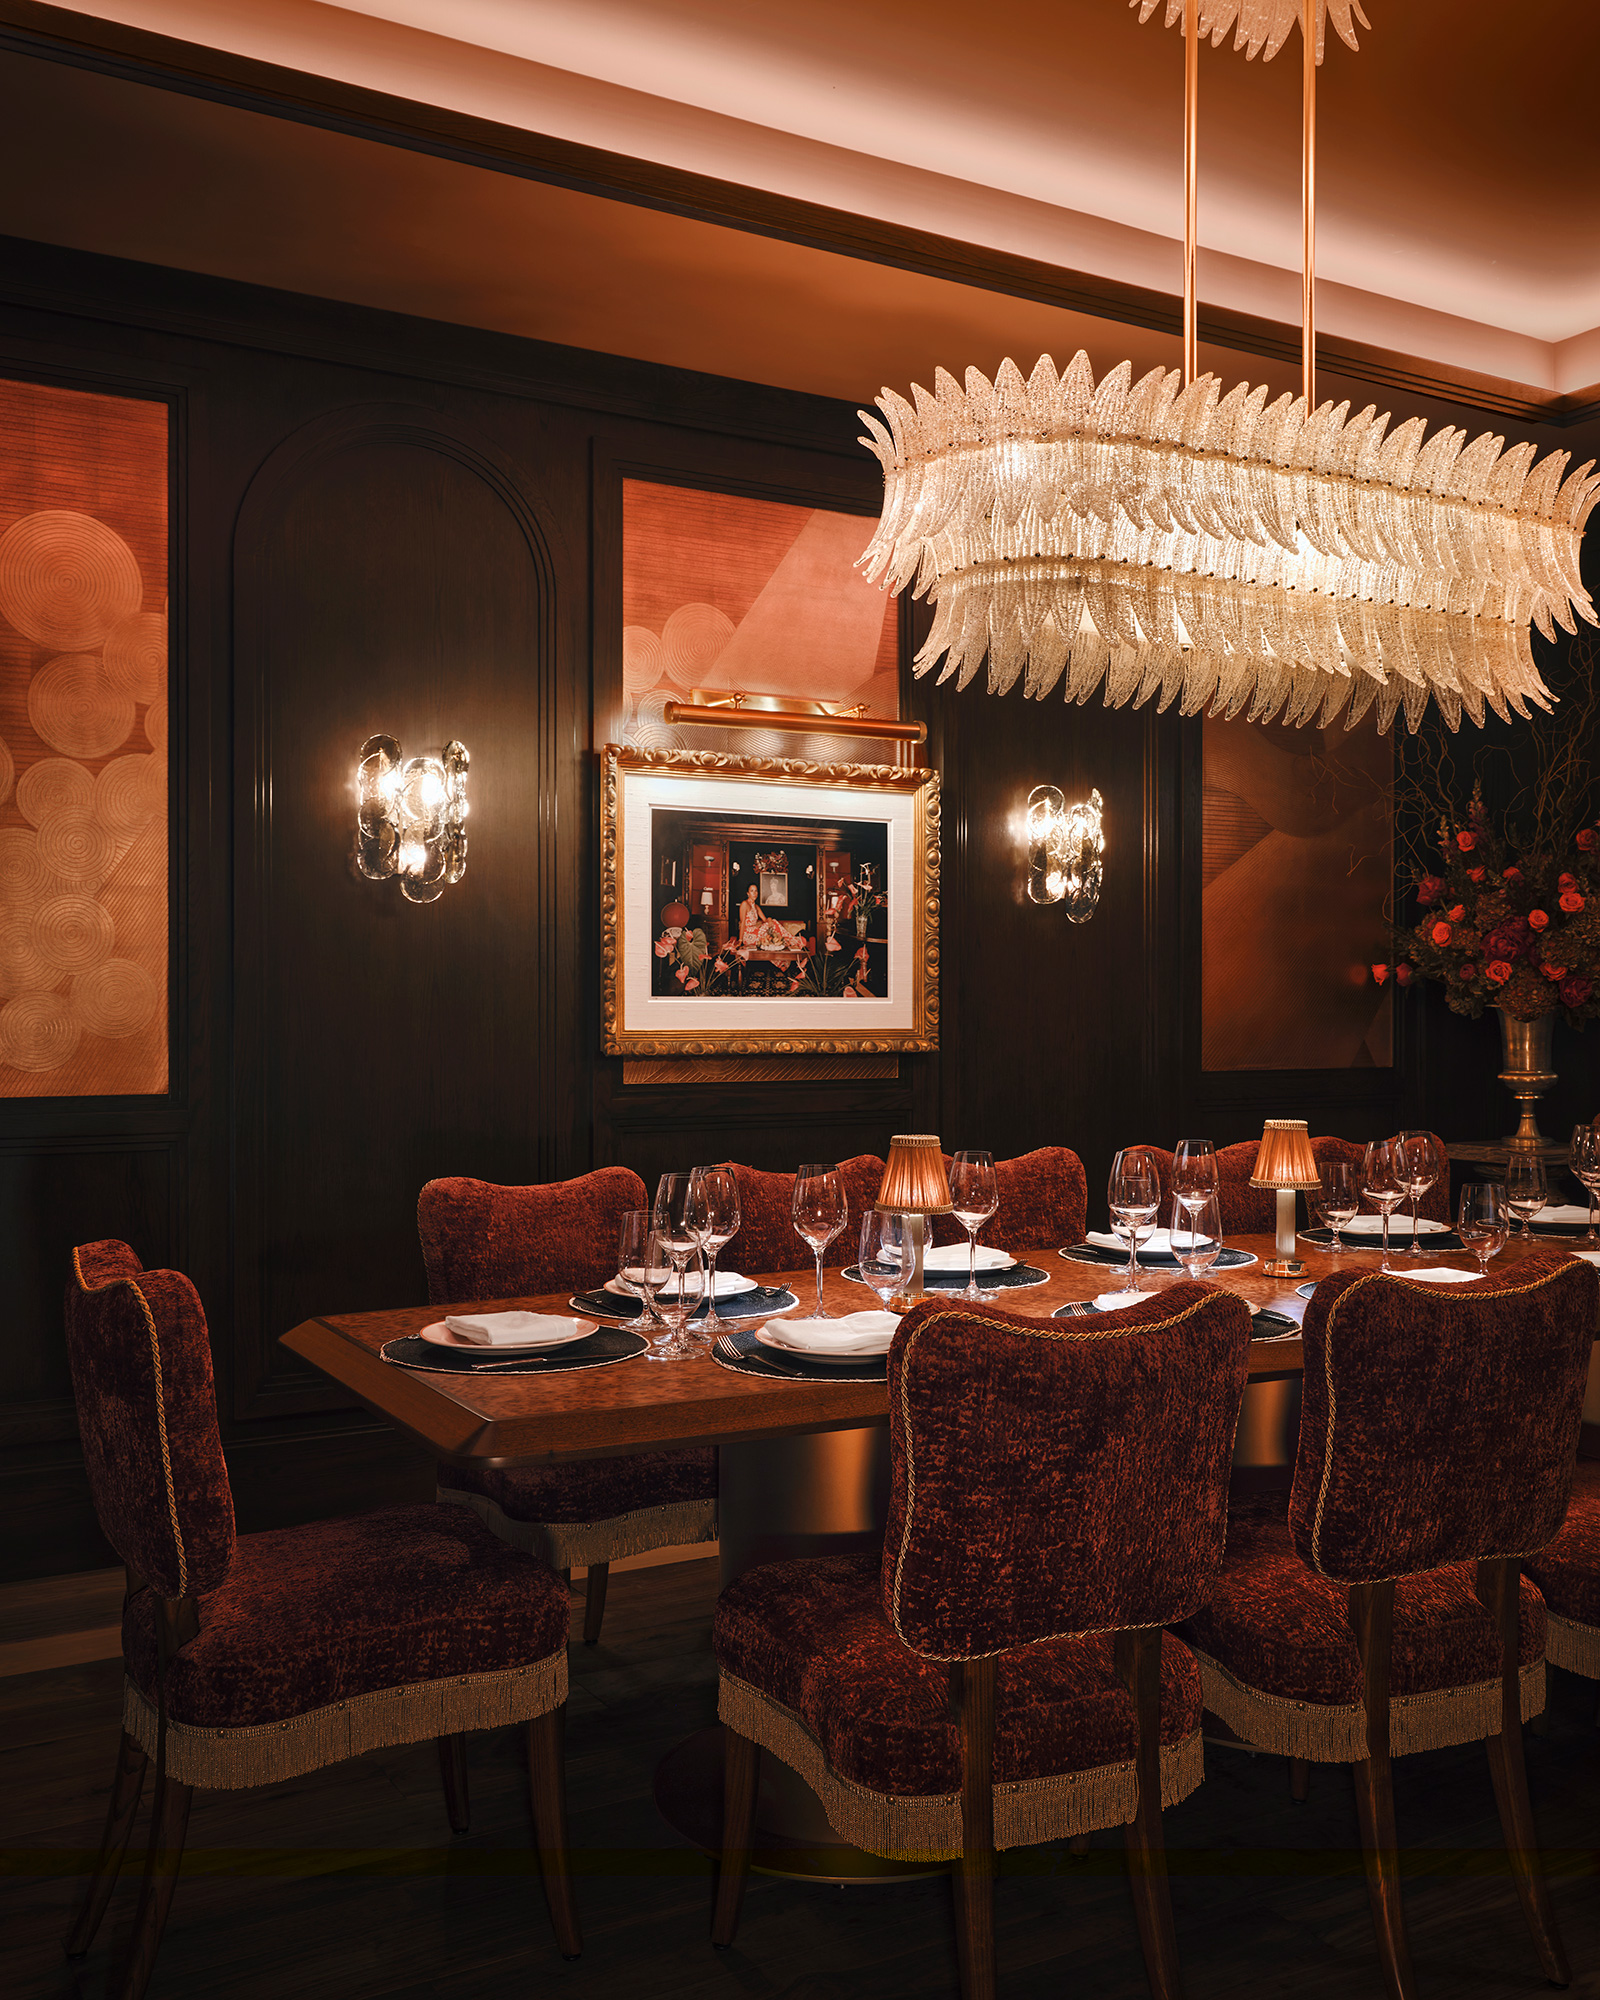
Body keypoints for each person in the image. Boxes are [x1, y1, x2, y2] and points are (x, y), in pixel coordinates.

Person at [738, 882, 796, 952]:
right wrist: (740, 940)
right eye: (752, 891)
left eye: (756, 891)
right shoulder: (744, 904)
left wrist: (769, 919)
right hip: (748, 935)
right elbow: (742, 923)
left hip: (755, 932)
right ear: (748, 893)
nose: (754, 893)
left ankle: (787, 942)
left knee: (771, 933)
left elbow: (765, 920)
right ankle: (791, 940)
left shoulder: (756, 907)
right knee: (771, 928)